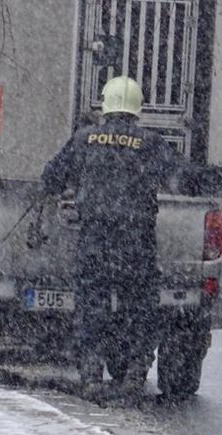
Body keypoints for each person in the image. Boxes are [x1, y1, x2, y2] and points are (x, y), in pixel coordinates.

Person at [41, 76, 182, 399]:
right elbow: (184, 178)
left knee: (91, 310)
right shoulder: (150, 144)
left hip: (95, 243)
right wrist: (221, 175)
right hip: (137, 245)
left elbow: (50, 177)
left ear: (104, 106)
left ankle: (91, 377)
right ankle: (134, 377)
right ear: (137, 108)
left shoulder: (84, 139)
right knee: (141, 312)